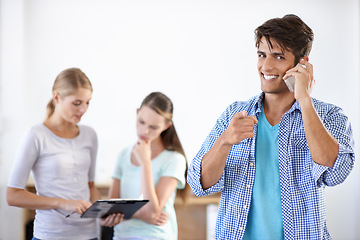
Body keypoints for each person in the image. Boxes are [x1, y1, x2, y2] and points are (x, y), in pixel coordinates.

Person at [187, 14, 355, 240]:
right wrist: (225, 141)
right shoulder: (234, 114)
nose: (266, 66)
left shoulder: (329, 116)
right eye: (261, 55)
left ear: (301, 63)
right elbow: (199, 185)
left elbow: (336, 173)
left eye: (278, 56)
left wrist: (304, 99)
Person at [6, 68, 123, 240]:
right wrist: (63, 203)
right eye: (77, 103)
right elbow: (13, 195)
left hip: (89, 235)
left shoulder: (90, 135)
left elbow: (90, 187)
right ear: (56, 97)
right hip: (51, 234)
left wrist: (103, 214)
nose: (83, 109)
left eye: (88, 102)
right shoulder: (36, 135)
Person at [108, 92, 188, 240]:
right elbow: (111, 209)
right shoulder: (123, 155)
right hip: (122, 236)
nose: (145, 131)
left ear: (166, 126)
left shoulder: (175, 159)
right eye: (141, 122)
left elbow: (151, 213)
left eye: (153, 127)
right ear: (137, 113)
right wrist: (139, 214)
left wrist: (145, 163)